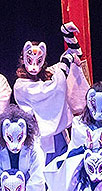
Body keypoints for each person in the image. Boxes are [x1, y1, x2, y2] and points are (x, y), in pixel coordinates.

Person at [13, 23, 89, 163]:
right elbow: (54, 88)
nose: (34, 65)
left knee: (62, 169)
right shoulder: (21, 85)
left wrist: (67, 34)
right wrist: (66, 62)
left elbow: (75, 55)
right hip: (37, 136)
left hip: (59, 135)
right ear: (23, 59)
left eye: (39, 61)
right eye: (30, 60)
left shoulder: (49, 74)